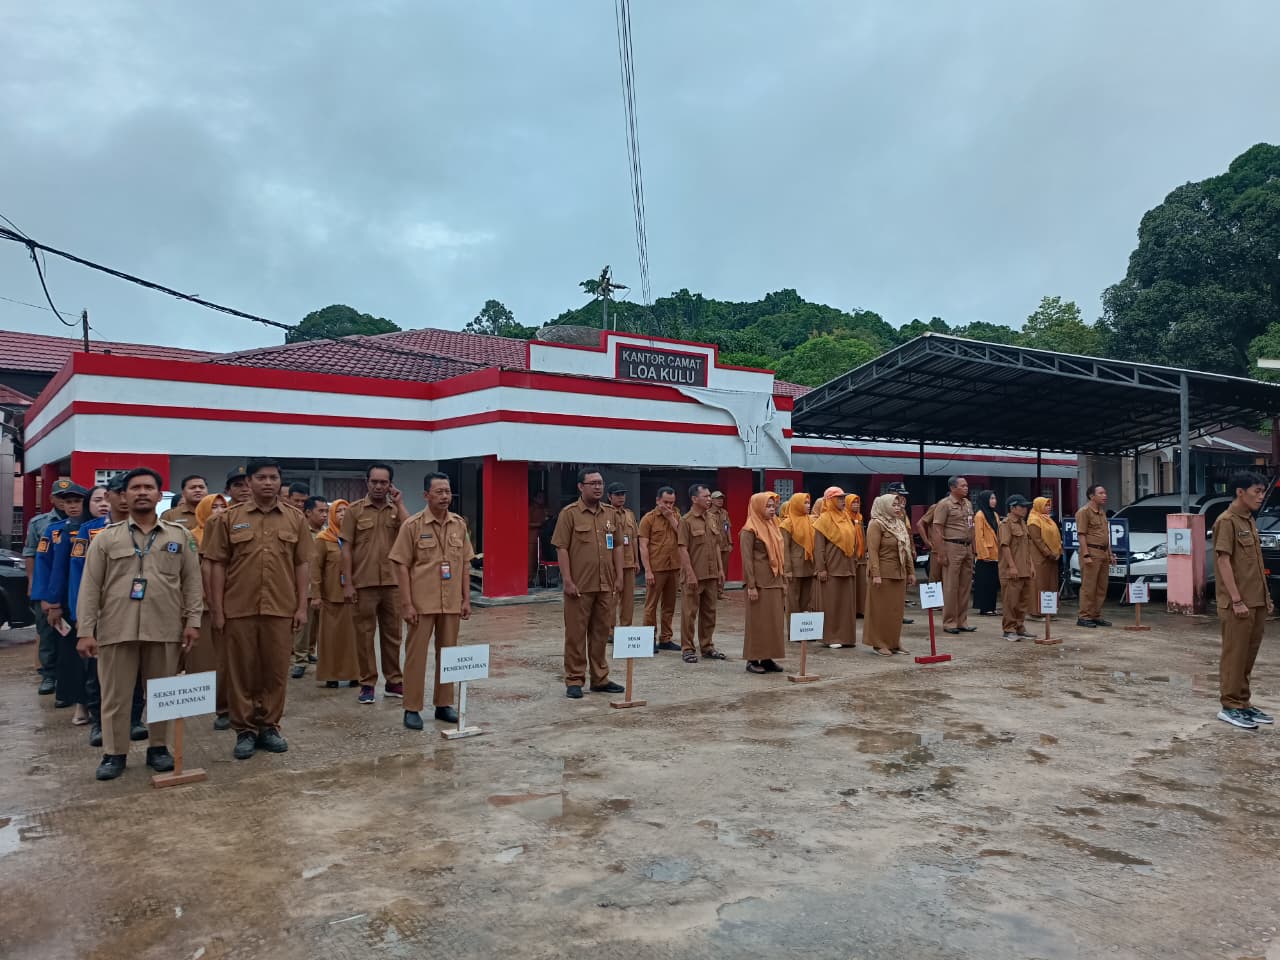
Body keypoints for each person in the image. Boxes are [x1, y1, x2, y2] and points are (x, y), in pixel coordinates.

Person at [75, 467, 202, 781]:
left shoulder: (179, 536)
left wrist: (193, 621)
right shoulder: (106, 539)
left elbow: (192, 582)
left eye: (148, 487)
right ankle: (113, 753)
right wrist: (85, 632)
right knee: (115, 695)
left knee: (162, 693)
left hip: (165, 628)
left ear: (159, 496)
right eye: (135, 488)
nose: (142, 492)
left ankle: (158, 748)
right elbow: (90, 588)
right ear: (123, 496)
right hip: (117, 629)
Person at [203, 458, 311, 760]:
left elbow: (302, 564)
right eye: (261, 477)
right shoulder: (227, 519)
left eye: (273, 477)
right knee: (241, 671)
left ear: (280, 482)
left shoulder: (295, 519)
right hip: (239, 607)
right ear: (248, 482)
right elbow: (216, 565)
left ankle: (270, 727)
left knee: (276, 671)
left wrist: (301, 606)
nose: (268, 482)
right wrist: (217, 609)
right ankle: (245, 730)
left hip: (281, 607)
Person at [66, 476, 148, 748]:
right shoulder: (90, 532)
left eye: (129, 492)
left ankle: (135, 720)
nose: (125, 498)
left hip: (138, 612)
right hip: (103, 615)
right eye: (117, 493)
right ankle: (100, 724)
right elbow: (80, 578)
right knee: (98, 673)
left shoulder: (149, 530)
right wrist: (83, 619)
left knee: (137, 671)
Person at [390, 472, 475, 730]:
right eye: (438, 492)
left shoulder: (459, 524)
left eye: (447, 491)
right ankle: (412, 707)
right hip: (421, 603)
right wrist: (406, 603)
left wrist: (466, 599)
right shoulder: (413, 525)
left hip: (450, 603)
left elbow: (464, 565)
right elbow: (401, 565)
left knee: (448, 654)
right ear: (426, 495)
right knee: (416, 656)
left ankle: (443, 704)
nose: (444, 496)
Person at [552, 467, 624, 698]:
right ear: (580, 487)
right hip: (579, 588)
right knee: (575, 635)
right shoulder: (569, 514)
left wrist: (619, 576)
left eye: (600, 483)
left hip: (605, 585)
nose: (598, 487)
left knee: (601, 634)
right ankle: (574, 680)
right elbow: (561, 547)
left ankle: (600, 678)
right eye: (592, 483)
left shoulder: (611, 514)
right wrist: (567, 580)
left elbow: (618, 546)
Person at [341, 463, 410, 704]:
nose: (379, 486)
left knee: (393, 635)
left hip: (393, 584)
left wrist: (400, 503)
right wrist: (347, 583)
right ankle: (367, 684)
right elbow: (346, 549)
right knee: (364, 636)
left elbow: (410, 531)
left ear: (390, 484)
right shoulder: (354, 511)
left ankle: (393, 681)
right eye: (374, 482)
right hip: (363, 583)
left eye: (384, 482)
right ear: (366, 482)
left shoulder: (396, 510)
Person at [1213, 471, 1273, 729]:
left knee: (1248, 656)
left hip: (1255, 601)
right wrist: (1236, 600)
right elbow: (1223, 561)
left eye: (1262, 492)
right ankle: (1229, 705)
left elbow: (1255, 566)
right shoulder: (1226, 521)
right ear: (1240, 492)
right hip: (1238, 603)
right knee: (1234, 655)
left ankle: (1243, 703)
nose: (1261, 497)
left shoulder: (1248, 520)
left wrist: (1266, 598)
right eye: (1256, 491)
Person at [37, 484, 97, 723]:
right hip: (68, 602)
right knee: (71, 655)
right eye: (67, 501)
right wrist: (51, 602)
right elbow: (49, 568)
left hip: (100, 601)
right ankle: (76, 700)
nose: (72, 506)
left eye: (77, 501)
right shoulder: (55, 532)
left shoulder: (100, 529)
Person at [25, 477, 75, 695]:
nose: (66, 502)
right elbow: (31, 555)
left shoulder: (84, 521)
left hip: (71, 586)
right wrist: (32, 584)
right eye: (61, 497)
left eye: (71, 498)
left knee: (71, 633)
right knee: (47, 632)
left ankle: (69, 677)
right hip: (46, 586)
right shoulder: (40, 523)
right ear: (52, 499)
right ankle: (49, 674)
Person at [311, 499, 360, 690]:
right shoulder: (324, 539)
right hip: (331, 597)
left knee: (354, 639)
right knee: (330, 639)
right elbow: (315, 569)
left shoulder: (357, 538)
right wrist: (316, 594)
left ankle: (355, 674)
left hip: (354, 597)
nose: (342, 514)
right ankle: (331, 675)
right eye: (338, 511)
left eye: (346, 511)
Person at [678, 483, 726, 663]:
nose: (709, 499)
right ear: (694, 499)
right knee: (689, 613)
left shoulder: (712, 518)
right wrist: (690, 574)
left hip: (711, 574)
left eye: (709, 496)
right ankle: (688, 648)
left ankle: (707, 646)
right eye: (705, 497)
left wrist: (721, 570)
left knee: (710, 612)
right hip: (694, 574)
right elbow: (682, 549)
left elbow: (716, 546)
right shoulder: (686, 521)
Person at [740, 492, 786, 674]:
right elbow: (747, 560)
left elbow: (780, 555)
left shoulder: (774, 525)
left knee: (773, 623)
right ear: (758, 507)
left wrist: (782, 580)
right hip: (759, 583)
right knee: (757, 623)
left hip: (774, 581)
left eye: (773, 506)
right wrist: (751, 585)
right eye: (768, 506)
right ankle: (752, 659)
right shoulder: (749, 529)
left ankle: (767, 658)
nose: (772, 510)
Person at [865, 493, 916, 655]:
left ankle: (894, 641)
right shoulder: (876, 524)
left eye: (898, 505)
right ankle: (879, 643)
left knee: (896, 611)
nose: (897, 508)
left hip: (899, 573)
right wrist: (876, 574)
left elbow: (906, 550)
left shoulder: (899, 524)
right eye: (893, 505)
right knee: (881, 610)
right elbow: (872, 551)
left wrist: (911, 572)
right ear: (884, 506)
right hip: (884, 573)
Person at [289, 494, 329, 679]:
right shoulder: (299, 532)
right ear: (307, 512)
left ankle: (311, 652)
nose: (324, 515)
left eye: (326, 511)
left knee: (318, 627)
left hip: (324, 588)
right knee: (303, 627)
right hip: (305, 587)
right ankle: (300, 660)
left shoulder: (328, 534)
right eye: (320, 511)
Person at [639, 486, 683, 653]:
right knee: (651, 605)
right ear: (658, 500)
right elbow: (643, 546)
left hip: (674, 567)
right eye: (665, 502)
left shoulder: (677, 516)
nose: (669, 506)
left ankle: (665, 638)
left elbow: (683, 536)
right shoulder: (648, 519)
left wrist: (671, 517)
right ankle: (649, 639)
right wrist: (648, 570)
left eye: (672, 503)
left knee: (669, 605)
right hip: (656, 568)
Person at [931, 476, 976, 636]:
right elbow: (937, 529)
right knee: (951, 586)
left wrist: (974, 549)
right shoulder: (944, 505)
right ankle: (949, 622)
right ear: (953, 488)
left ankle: (962, 621)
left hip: (967, 547)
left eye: (967, 485)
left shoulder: (968, 504)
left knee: (965, 586)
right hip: (951, 546)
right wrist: (941, 552)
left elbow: (971, 526)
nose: (966, 488)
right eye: (963, 485)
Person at [814, 487, 858, 648]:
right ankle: (831, 637)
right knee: (831, 604)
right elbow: (819, 548)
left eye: (842, 498)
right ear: (830, 500)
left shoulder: (846, 517)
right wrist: (821, 568)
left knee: (846, 604)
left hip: (847, 566)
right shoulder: (823, 519)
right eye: (838, 498)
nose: (841, 501)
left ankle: (846, 637)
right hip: (831, 567)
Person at [998, 495, 1037, 642]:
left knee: (1023, 601)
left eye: (1026, 506)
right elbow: (1005, 546)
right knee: (1011, 601)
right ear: (1012, 508)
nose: (1025, 509)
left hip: (1025, 569)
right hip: (1011, 571)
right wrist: (1012, 566)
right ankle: (1008, 629)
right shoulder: (1006, 524)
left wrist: (1031, 565)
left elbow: (1027, 548)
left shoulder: (1022, 523)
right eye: (1022, 506)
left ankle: (1020, 627)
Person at [1074, 485, 1113, 628]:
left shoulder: (1102, 512)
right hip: (1091, 551)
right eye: (1101, 493)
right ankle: (1084, 616)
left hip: (1103, 552)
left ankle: (1095, 615)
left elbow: (1105, 535)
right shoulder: (1084, 512)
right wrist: (1085, 554)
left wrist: (1110, 553)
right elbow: (1081, 534)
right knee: (1089, 586)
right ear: (1091, 496)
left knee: (1101, 586)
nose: (1105, 495)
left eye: (1105, 492)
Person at [606, 483, 639, 628]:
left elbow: (634, 539)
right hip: (612, 563)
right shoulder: (605, 514)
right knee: (612, 597)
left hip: (629, 562)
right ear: (609, 497)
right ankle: (610, 630)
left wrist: (637, 560)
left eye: (623, 494)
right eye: (617, 494)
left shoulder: (629, 514)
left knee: (628, 599)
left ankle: (626, 629)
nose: (621, 497)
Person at [781, 492, 818, 615]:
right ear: (797, 504)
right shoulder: (787, 524)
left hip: (809, 566)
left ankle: (803, 631)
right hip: (795, 568)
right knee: (793, 602)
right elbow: (785, 548)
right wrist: (787, 570)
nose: (808, 505)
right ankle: (793, 632)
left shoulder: (811, 521)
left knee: (806, 602)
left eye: (808, 502)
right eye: (805, 503)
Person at [1027, 496, 1063, 616]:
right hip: (1040, 558)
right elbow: (1038, 541)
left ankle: (1049, 611)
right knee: (1039, 584)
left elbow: (1056, 538)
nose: (1049, 507)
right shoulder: (1033, 520)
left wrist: (1057, 552)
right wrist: (1049, 553)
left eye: (1049, 505)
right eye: (1046, 505)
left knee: (1051, 583)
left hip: (1052, 558)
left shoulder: (1048, 520)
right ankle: (1037, 612)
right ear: (1039, 506)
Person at [972, 490, 1000, 616]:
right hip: (985, 556)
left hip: (995, 554)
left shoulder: (995, 515)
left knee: (993, 582)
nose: (994, 501)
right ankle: (985, 607)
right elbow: (979, 536)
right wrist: (983, 554)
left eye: (994, 498)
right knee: (985, 582)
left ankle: (992, 607)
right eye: (991, 498)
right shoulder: (979, 515)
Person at [846, 494, 869, 618]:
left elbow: (863, 535)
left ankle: (861, 609)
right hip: (852, 555)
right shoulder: (845, 517)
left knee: (861, 585)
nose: (856, 505)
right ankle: (852, 610)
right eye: (853, 503)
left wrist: (865, 549)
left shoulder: (859, 517)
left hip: (861, 556)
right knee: (852, 585)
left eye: (857, 502)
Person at [709, 491, 733, 599]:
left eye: (722, 499)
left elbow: (727, 528)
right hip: (712, 546)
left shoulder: (724, 513)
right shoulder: (707, 513)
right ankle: (712, 592)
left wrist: (730, 542)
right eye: (718, 499)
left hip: (724, 545)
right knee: (713, 568)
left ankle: (720, 591)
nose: (720, 501)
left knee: (724, 568)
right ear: (712, 500)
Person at [528, 491, 549, 587]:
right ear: (535, 498)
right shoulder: (530, 509)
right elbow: (526, 523)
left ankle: (543, 580)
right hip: (532, 538)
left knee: (543, 559)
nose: (542, 499)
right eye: (540, 497)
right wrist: (539, 524)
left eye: (543, 497)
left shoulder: (544, 509)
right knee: (531, 560)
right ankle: (529, 580)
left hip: (543, 537)